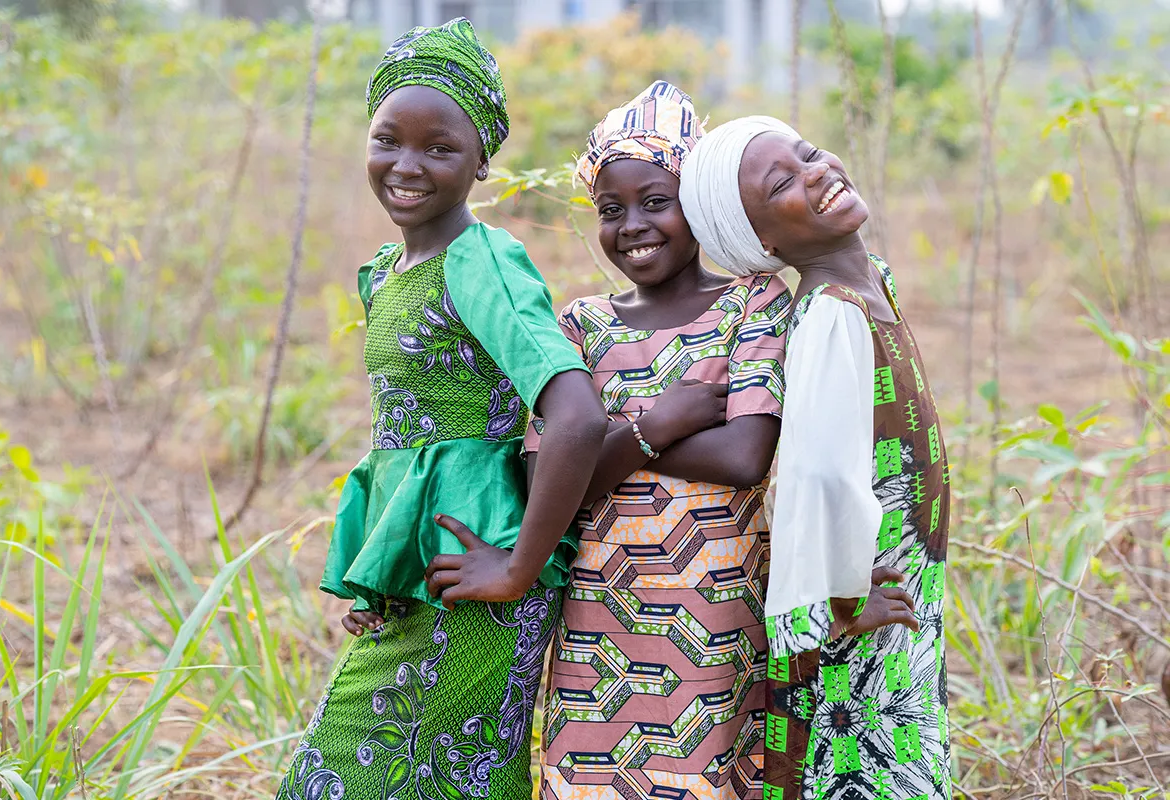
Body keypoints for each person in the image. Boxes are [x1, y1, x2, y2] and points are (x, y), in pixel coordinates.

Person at [277, 18, 606, 800]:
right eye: (388, 138)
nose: (407, 165)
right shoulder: (389, 269)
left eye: (440, 147)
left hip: (480, 579)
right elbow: (403, 442)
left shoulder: (480, 259)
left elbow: (577, 417)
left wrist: (519, 567)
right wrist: (378, 577)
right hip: (423, 580)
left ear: (482, 160)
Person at [527, 82, 793, 800]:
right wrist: (664, 421)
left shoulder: (753, 301)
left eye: (656, 201)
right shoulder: (580, 325)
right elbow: (543, 482)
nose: (632, 225)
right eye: (610, 211)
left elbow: (745, 458)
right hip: (596, 624)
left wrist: (607, 439)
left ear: (699, 205)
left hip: (716, 620)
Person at [680, 116, 949, 800]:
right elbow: (817, 474)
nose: (816, 170)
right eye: (783, 183)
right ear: (763, 242)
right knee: (866, 769)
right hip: (857, 604)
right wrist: (840, 601)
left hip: (893, 588)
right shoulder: (833, 313)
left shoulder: (870, 283)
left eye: (806, 153)